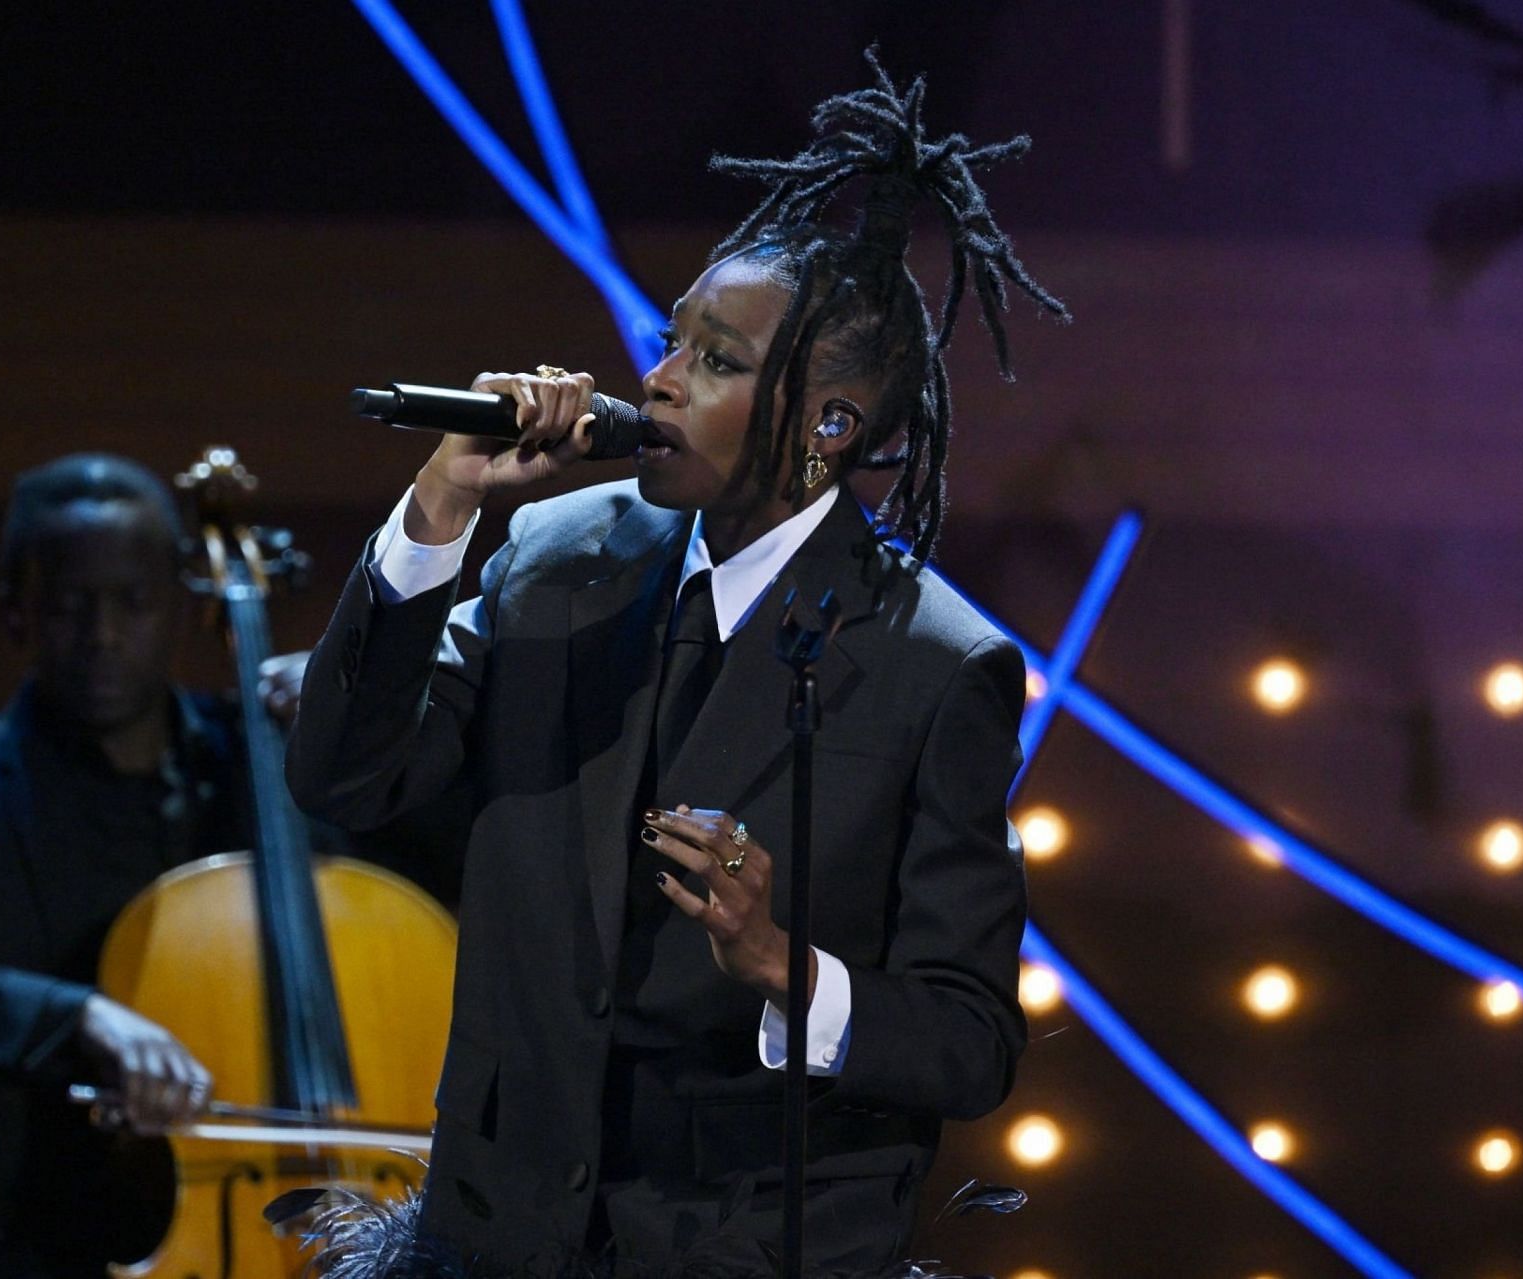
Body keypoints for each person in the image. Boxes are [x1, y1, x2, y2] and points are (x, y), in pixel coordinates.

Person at [286, 54, 1069, 1276]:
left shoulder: (935, 664)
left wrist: (782, 968)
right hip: (503, 1240)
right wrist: (440, 510)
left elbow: (968, 1041)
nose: (654, 380)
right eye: (670, 341)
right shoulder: (551, 556)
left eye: (714, 361)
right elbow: (346, 779)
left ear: (828, 426)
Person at [0, 454, 271, 1277]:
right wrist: (76, 1019)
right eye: (71, 604)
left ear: (177, 607)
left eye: (133, 602)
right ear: (15, 612)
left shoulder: (259, 774)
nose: (102, 634)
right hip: (5, 1246)